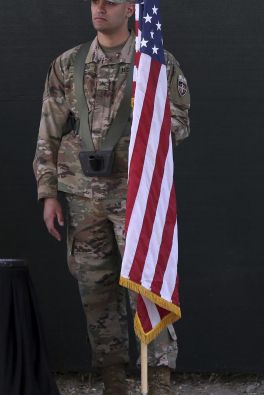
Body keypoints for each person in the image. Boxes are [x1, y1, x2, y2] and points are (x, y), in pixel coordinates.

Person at [33, 0, 190, 393]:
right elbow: (48, 134)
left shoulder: (155, 63)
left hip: (137, 198)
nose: (100, 8)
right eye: (95, 1)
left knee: (147, 289)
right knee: (96, 298)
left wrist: (151, 117)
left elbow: (180, 122)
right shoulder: (67, 64)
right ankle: (114, 385)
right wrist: (47, 193)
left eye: (111, 2)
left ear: (130, 10)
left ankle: (157, 384)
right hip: (82, 200)